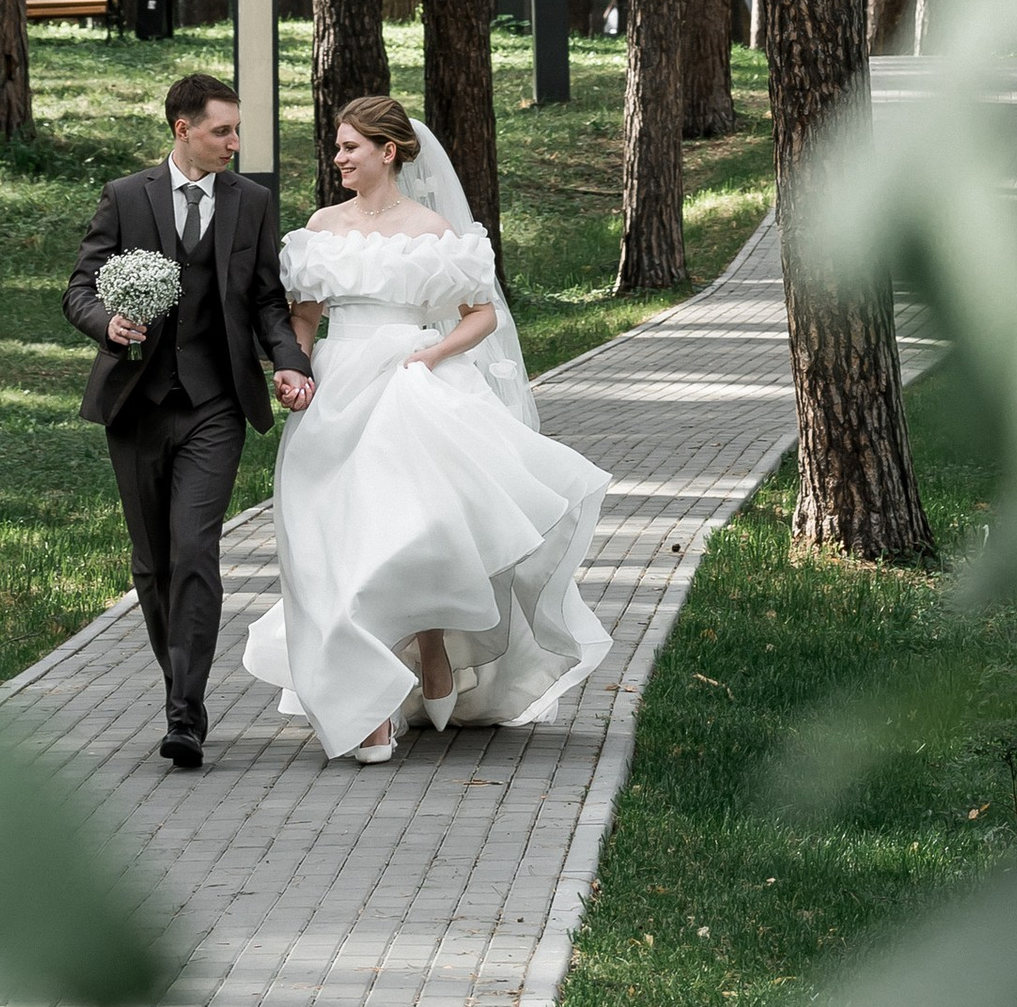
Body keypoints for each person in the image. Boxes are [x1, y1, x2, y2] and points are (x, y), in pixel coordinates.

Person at [243, 93, 613, 764]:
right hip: (334, 389)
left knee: (404, 531)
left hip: (409, 384)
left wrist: (434, 353)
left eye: (350, 147)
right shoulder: (321, 225)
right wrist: (291, 370)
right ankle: (379, 687)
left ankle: (413, 667)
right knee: (328, 541)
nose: (338, 158)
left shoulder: (433, 230)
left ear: (387, 151)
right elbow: (303, 316)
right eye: (337, 146)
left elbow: (481, 315)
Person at [66, 69, 315, 769]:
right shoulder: (126, 197)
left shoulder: (252, 203)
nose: (235, 143)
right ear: (184, 130)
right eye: (222, 131)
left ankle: (185, 709)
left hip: (215, 405)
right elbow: (79, 287)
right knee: (153, 565)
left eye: (237, 130)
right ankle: (179, 682)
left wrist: (290, 361)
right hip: (137, 405)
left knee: (195, 551)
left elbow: (267, 300)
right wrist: (106, 322)